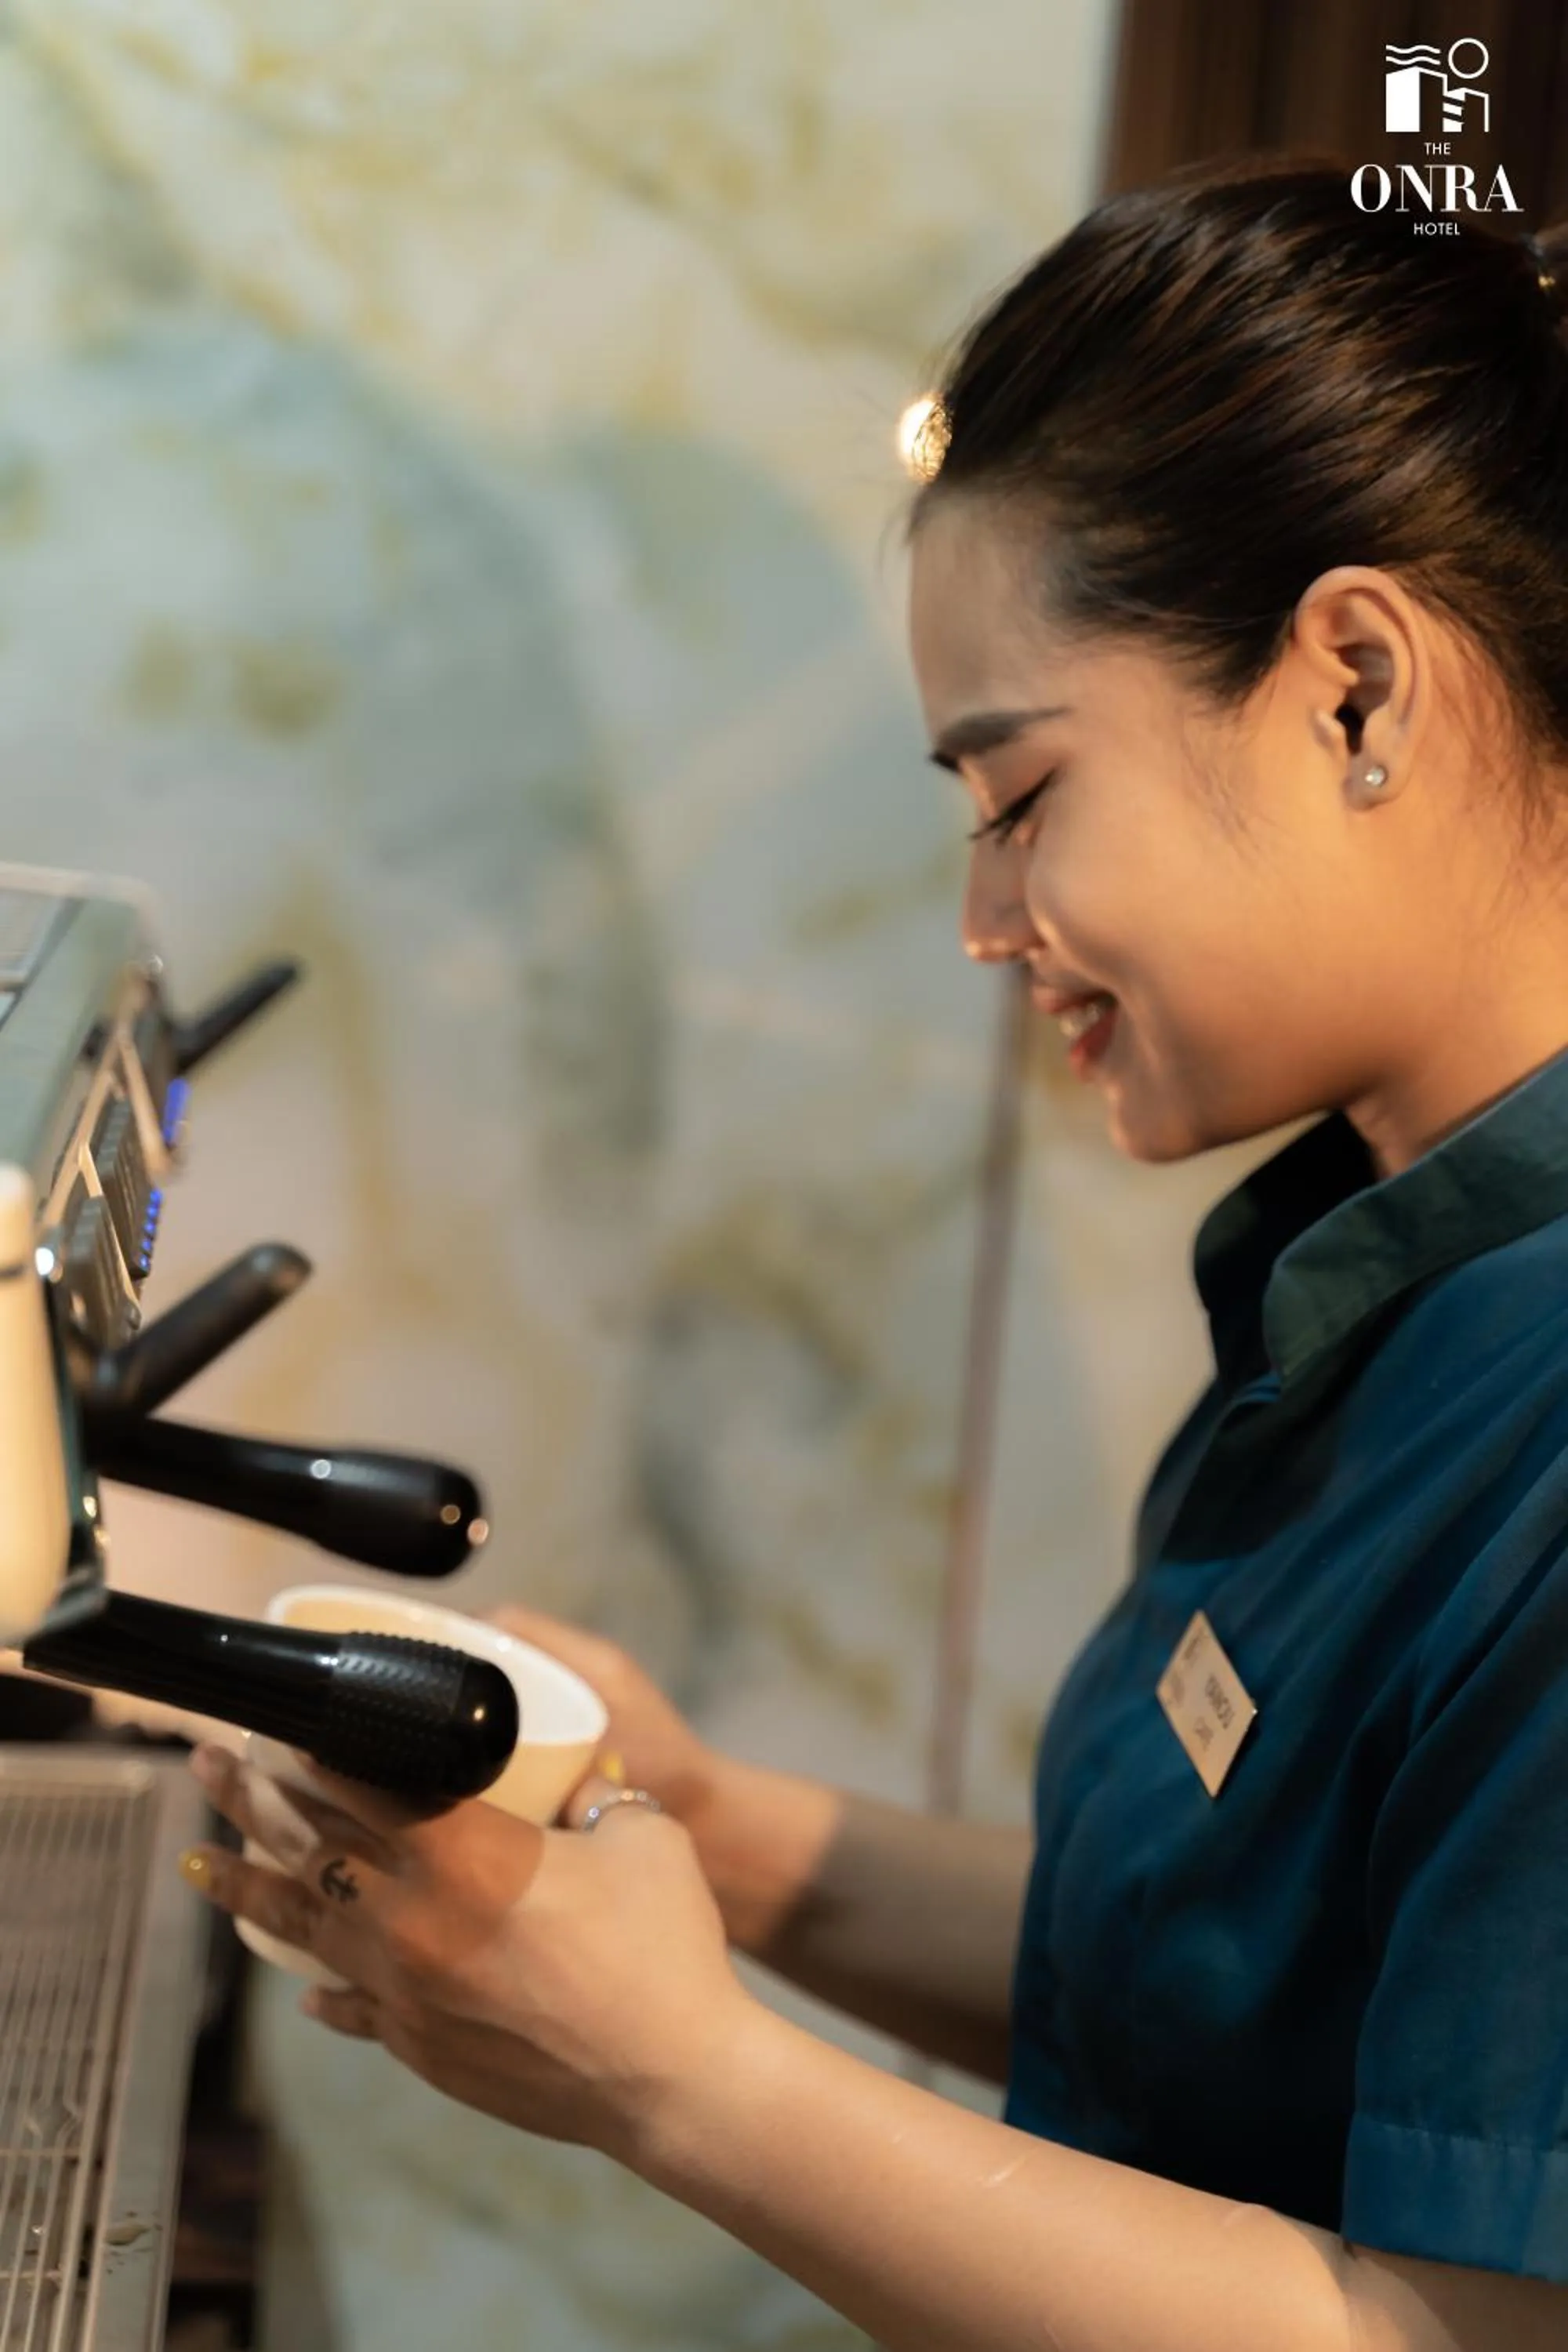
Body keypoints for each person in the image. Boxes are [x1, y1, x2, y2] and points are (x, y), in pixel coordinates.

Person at [177, 155, 1568, 2347]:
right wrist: (702, 1823)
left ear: (1358, 694)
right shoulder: (1367, 1266)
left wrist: (674, 2076)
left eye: (1019, 800)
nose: (985, 923)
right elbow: (1207, 1981)